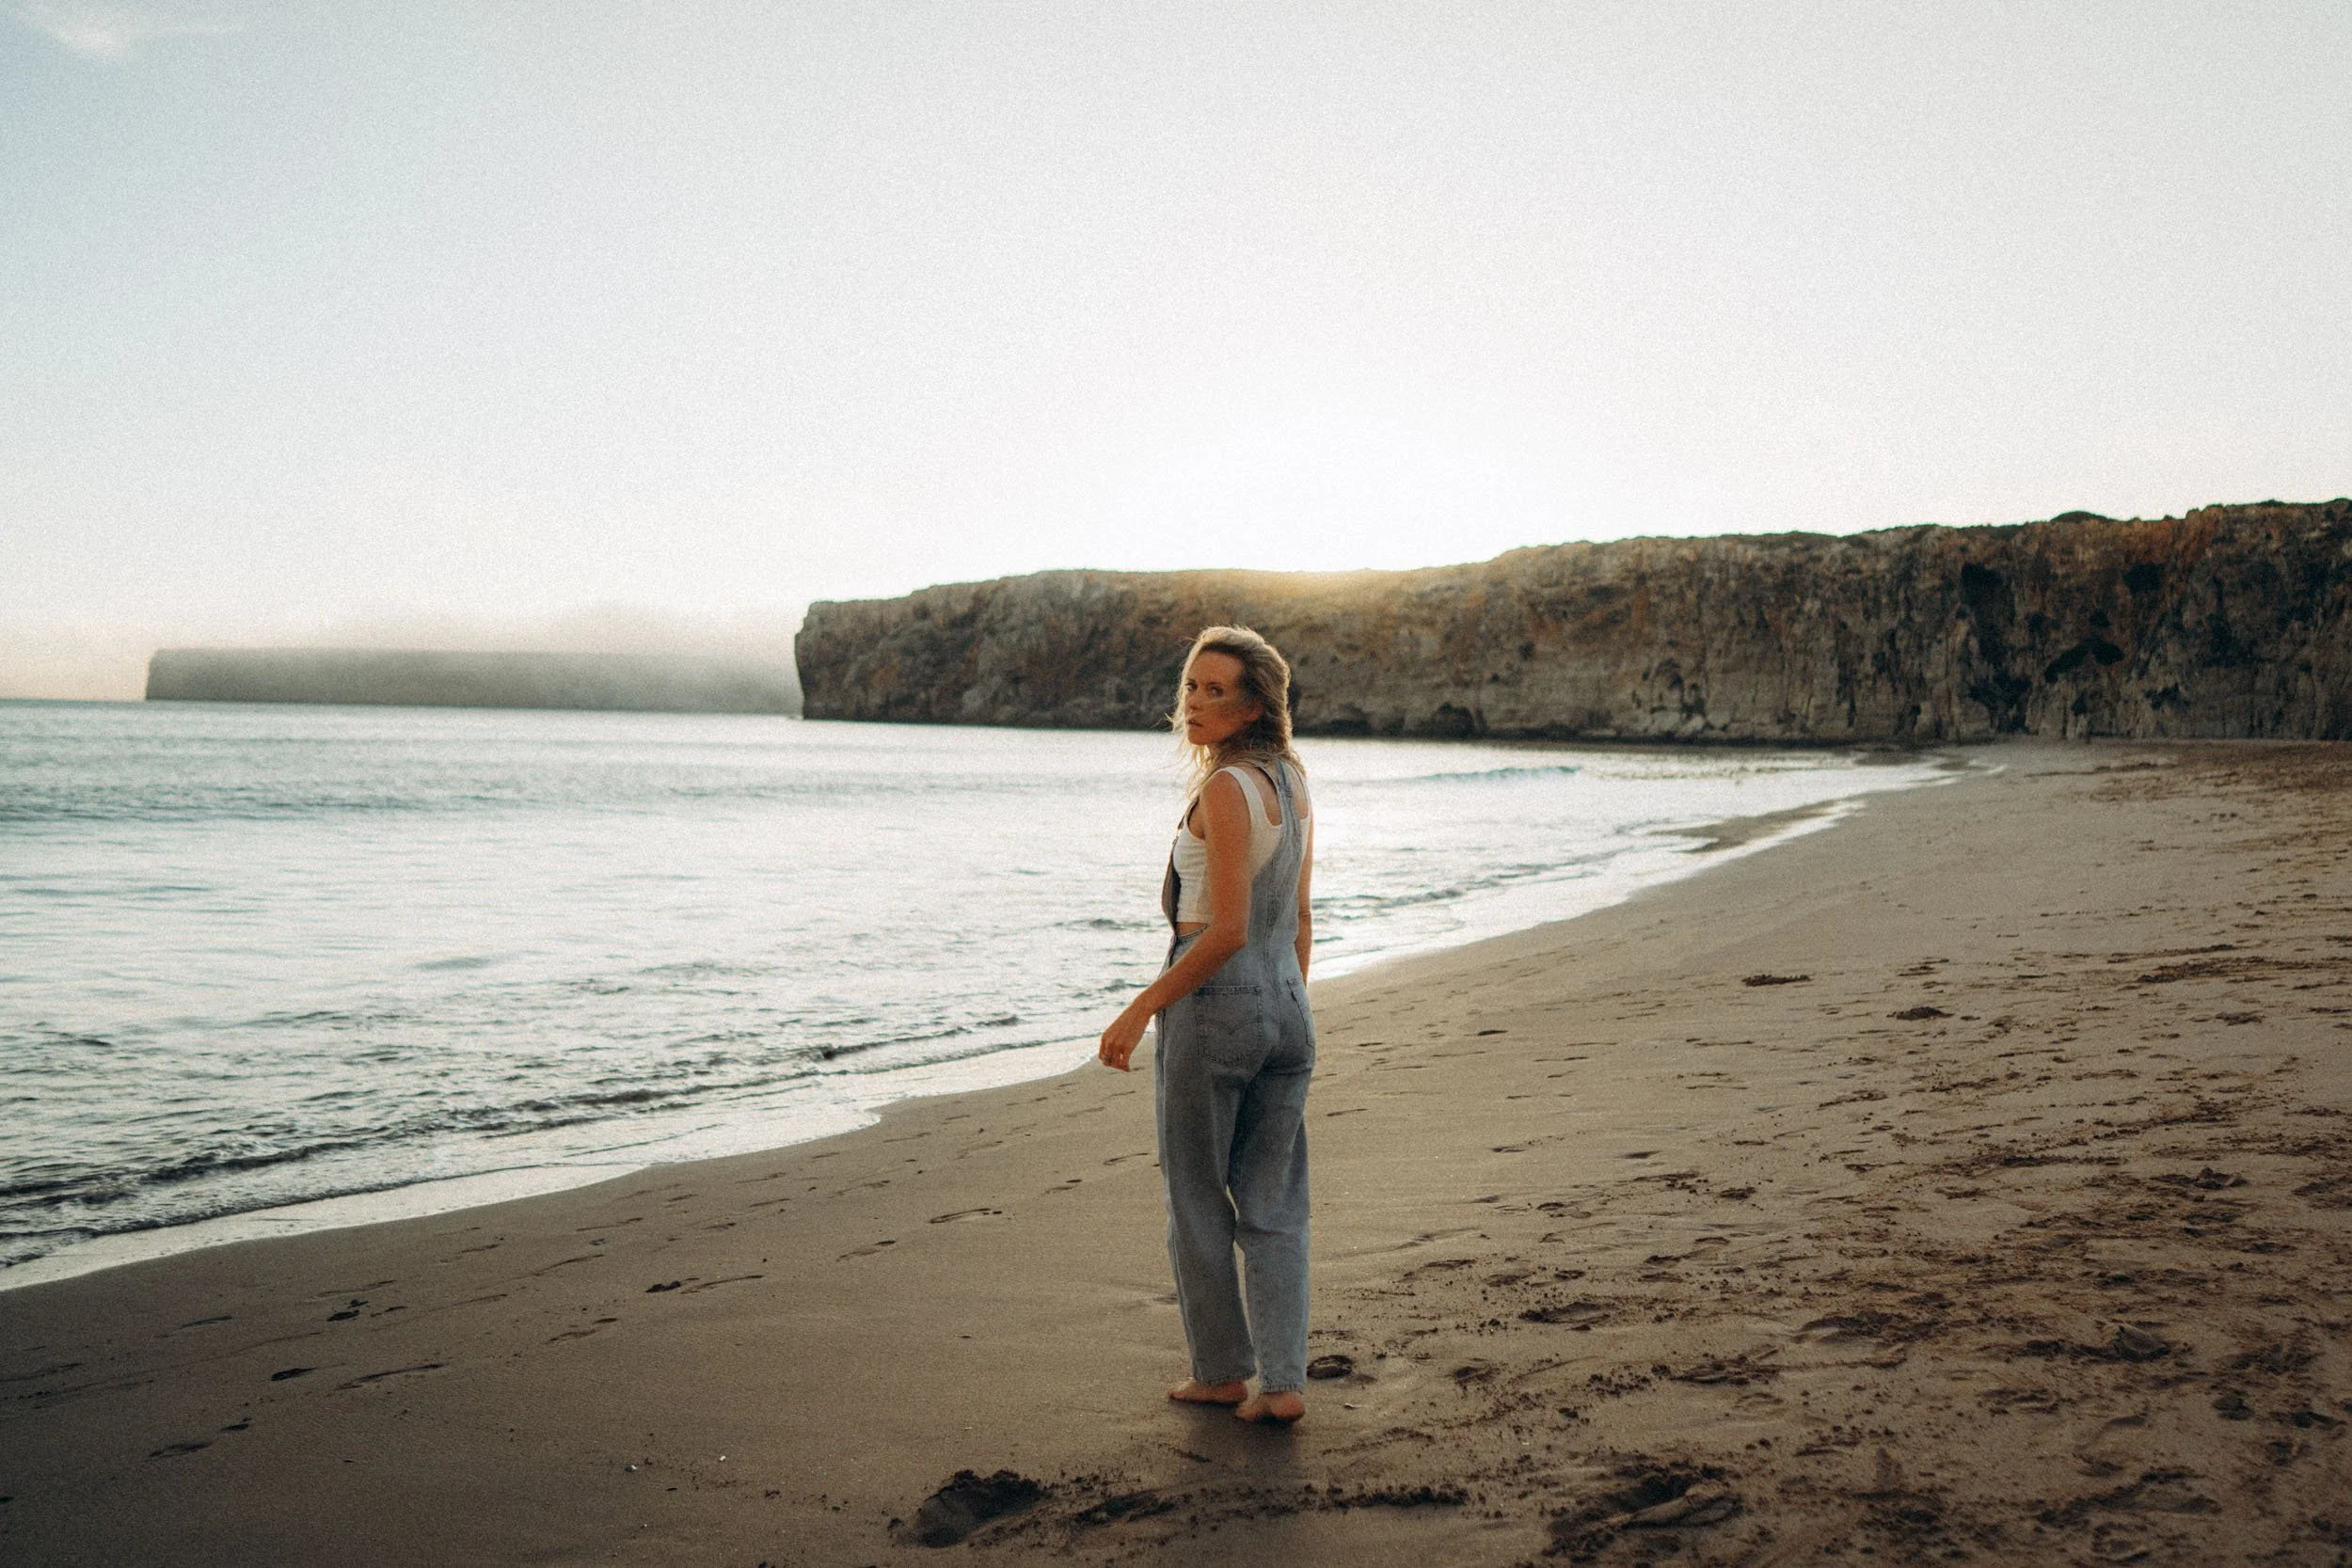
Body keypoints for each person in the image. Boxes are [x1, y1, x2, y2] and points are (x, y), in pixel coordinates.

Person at [1097, 625, 1317, 1426]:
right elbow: (1297, 917)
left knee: (1196, 1195)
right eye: (1190, 685)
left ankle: (1223, 1371)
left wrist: (1141, 1005)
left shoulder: (1226, 790)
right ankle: (1284, 1382)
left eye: (1214, 690)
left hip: (1215, 1003)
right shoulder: (1290, 782)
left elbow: (1222, 929)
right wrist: (1284, 1003)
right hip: (1288, 1005)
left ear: (1254, 703)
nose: (1193, 702)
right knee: (1275, 1200)